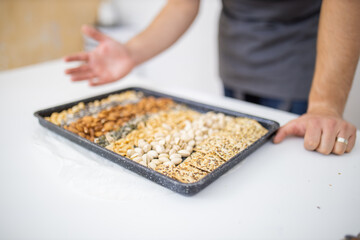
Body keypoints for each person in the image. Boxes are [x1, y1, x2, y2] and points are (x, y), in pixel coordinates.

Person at [64, 0, 359, 155]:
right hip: (234, 61)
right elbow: (183, 4)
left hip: (299, 65)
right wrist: (132, 52)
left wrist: (324, 105)